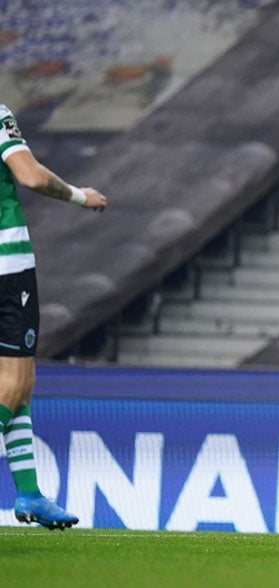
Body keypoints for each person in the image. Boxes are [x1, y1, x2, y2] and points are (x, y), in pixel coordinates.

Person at [0, 103, 107, 529]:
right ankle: (29, 494)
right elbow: (30, 175)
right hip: (6, 269)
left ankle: (29, 494)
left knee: (18, 386)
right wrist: (80, 195)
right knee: (17, 382)